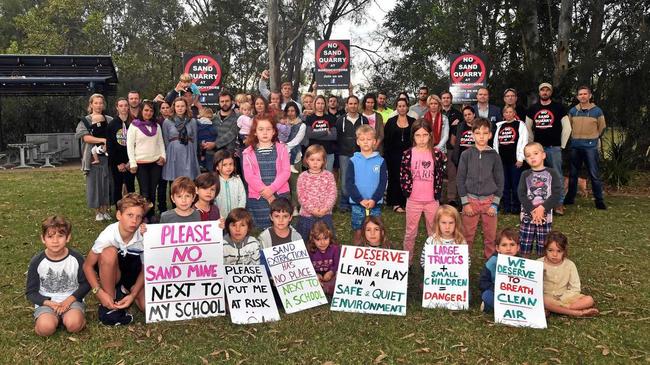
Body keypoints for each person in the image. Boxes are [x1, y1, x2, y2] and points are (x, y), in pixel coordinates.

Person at [83, 193, 149, 325]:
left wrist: (133, 294)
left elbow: (146, 268)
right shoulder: (107, 235)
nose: (134, 221)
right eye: (129, 215)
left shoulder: (144, 236)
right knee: (109, 253)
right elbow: (87, 266)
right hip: (114, 272)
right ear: (119, 215)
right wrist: (99, 292)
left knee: (147, 308)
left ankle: (126, 292)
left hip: (133, 273)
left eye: (138, 217)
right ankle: (110, 300)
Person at [26, 216, 89, 336]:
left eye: (60, 236)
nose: (55, 241)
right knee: (45, 329)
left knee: (73, 325)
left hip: (71, 301)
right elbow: (31, 292)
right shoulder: (37, 261)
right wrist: (48, 303)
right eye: (50, 236)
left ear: (68, 237)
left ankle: (73, 318)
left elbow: (86, 284)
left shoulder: (77, 258)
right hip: (47, 303)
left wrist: (69, 300)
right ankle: (49, 319)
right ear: (43, 239)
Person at [400, 119, 446, 264]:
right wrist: (408, 192)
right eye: (418, 135)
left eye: (425, 135)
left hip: (432, 201)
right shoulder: (408, 154)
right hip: (413, 200)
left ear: (430, 135)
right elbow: (403, 175)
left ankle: (433, 263)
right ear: (413, 136)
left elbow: (439, 175)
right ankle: (407, 261)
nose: (421, 139)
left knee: (434, 233)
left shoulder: (437, 154)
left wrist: (437, 193)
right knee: (410, 232)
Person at [457, 118, 504, 258]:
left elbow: (500, 180)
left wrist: (495, 204)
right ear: (472, 135)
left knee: (490, 237)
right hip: (470, 201)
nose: (481, 136)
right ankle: (464, 263)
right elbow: (460, 179)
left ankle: (490, 263)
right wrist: (465, 203)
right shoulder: (466, 155)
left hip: (489, 202)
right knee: (467, 236)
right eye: (477, 133)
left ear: (490, 135)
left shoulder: (495, 156)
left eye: (485, 133)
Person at [526, 82, 571, 215]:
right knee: (538, 177)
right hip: (538, 150)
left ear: (550, 92)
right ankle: (540, 203)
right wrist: (531, 145)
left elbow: (567, 128)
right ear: (539, 92)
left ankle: (559, 204)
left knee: (556, 176)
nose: (545, 92)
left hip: (554, 148)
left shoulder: (559, 108)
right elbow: (528, 128)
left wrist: (561, 145)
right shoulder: (532, 109)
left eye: (547, 90)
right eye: (542, 90)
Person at [242, 115, 291, 229]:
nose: (265, 133)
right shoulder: (247, 153)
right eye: (261, 129)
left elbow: (286, 172)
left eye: (268, 129)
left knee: (280, 224)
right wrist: (266, 193)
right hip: (259, 196)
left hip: (280, 194)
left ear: (274, 131)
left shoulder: (282, 149)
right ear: (255, 132)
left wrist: (271, 189)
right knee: (263, 229)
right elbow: (249, 176)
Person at [538, 231, 599, 317]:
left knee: (589, 300)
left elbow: (575, 287)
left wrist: (563, 299)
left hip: (565, 298)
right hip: (546, 297)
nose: (554, 254)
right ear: (545, 250)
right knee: (543, 301)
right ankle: (577, 312)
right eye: (550, 250)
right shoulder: (538, 263)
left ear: (564, 251)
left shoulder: (570, 265)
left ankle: (557, 309)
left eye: (559, 251)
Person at [566, 85, 607, 210]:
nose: (582, 96)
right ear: (577, 97)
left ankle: (599, 200)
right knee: (573, 174)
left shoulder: (597, 111)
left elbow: (602, 127)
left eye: (585, 94)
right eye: (580, 94)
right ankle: (570, 198)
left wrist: (592, 138)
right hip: (575, 146)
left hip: (590, 147)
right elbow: (568, 127)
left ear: (589, 96)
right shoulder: (573, 111)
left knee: (594, 174)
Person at [517, 142, 562, 257]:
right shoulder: (525, 174)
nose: (532, 157)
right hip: (527, 217)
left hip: (545, 218)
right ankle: (525, 271)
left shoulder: (552, 173)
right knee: (524, 247)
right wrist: (532, 210)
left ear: (543, 155)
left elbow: (556, 193)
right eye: (528, 155)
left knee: (544, 248)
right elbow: (521, 194)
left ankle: (542, 271)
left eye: (535, 153)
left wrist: (543, 208)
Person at [346, 125, 388, 244]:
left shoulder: (380, 161)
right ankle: (357, 257)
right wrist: (359, 199)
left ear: (374, 142)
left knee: (375, 231)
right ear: (358, 141)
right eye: (362, 139)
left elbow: (382, 183)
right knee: (358, 231)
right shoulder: (353, 160)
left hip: (375, 203)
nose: (366, 142)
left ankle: (374, 257)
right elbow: (349, 183)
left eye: (369, 139)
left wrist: (374, 199)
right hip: (357, 203)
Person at [75, 93, 113, 221]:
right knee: (95, 183)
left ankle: (106, 209)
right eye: (96, 103)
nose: (98, 105)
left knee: (107, 183)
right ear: (91, 105)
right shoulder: (85, 121)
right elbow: (86, 137)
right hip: (91, 156)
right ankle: (97, 211)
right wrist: (103, 140)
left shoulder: (109, 120)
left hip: (107, 157)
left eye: (101, 103)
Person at [127, 100, 166, 222]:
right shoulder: (134, 125)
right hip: (141, 163)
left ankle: (151, 214)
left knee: (153, 190)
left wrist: (163, 156)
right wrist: (132, 162)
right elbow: (129, 145)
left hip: (155, 163)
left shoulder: (157, 126)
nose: (148, 113)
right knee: (144, 191)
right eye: (146, 110)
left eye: (151, 110)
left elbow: (161, 143)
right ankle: (143, 215)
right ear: (141, 111)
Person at [296, 144, 337, 241]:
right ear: (306, 160)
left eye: (318, 160)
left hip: (325, 215)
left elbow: (332, 194)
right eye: (312, 159)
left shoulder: (328, 176)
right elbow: (302, 197)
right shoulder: (303, 177)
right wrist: (312, 210)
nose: (315, 163)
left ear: (324, 161)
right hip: (307, 216)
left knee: (326, 240)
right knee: (306, 241)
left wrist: (325, 208)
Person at [336, 95, 369, 212]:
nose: (353, 106)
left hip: (360, 154)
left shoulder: (363, 120)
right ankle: (344, 204)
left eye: (355, 103)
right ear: (347, 105)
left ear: (358, 105)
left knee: (358, 179)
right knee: (345, 180)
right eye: (350, 103)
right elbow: (338, 137)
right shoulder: (340, 120)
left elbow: (367, 136)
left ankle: (356, 202)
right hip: (344, 154)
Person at [493, 105, 528, 214]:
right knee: (504, 185)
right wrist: (496, 159)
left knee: (516, 184)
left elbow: (524, 142)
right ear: (503, 114)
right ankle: (507, 207)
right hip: (502, 161)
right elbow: (495, 144)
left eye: (510, 112)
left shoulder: (520, 125)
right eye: (506, 112)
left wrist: (521, 158)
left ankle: (516, 207)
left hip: (515, 160)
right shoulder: (499, 126)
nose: (508, 114)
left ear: (514, 113)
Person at [384, 98, 415, 213]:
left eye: (404, 106)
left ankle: (407, 202)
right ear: (396, 108)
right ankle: (395, 203)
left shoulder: (413, 121)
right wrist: (387, 157)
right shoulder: (391, 121)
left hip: (409, 155)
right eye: (399, 106)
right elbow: (386, 141)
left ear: (407, 107)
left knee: (408, 178)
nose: (402, 108)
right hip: (393, 156)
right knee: (395, 178)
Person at [479, 227, 520, 313]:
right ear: (497, 248)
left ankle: (502, 308)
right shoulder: (492, 262)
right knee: (487, 295)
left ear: (518, 248)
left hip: (515, 296)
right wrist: (495, 288)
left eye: (512, 245)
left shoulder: (522, 264)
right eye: (504, 245)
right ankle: (493, 306)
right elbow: (482, 282)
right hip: (497, 293)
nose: (508, 249)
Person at [161, 97, 200, 185]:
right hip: (173, 153)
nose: (180, 108)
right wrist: (168, 154)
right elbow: (166, 140)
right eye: (177, 106)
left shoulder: (192, 121)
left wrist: (194, 154)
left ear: (186, 107)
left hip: (188, 152)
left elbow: (195, 139)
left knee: (189, 180)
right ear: (174, 107)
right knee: (174, 181)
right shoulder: (167, 122)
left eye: (182, 106)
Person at [107, 98, 136, 211]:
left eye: (125, 105)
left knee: (131, 186)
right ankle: (119, 211)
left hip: (130, 160)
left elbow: (136, 144)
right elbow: (110, 146)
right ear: (117, 107)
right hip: (117, 162)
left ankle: (132, 208)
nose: (123, 108)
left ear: (128, 107)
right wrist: (118, 163)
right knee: (117, 186)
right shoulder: (112, 125)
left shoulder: (133, 123)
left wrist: (130, 161)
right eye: (121, 105)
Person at [441, 91, 463, 206]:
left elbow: (458, 130)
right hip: (438, 148)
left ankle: (451, 199)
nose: (446, 100)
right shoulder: (437, 112)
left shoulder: (458, 114)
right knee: (437, 173)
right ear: (441, 99)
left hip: (451, 148)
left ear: (451, 99)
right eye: (443, 98)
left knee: (452, 174)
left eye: (448, 98)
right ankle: (437, 197)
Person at [304, 95, 337, 172]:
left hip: (328, 153)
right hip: (313, 154)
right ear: (315, 104)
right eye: (318, 103)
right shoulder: (309, 118)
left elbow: (334, 136)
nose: (320, 105)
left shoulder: (331, 118)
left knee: (327, 178)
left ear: (325, 105)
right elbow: (309, 135)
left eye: (322, 103)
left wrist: (315, 134)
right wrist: (326, 132)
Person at [307, 221, 340, 296]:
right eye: (318, 239)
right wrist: (316, 274)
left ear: (330, 236)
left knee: (339, 279)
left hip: (331, 275)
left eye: (325, 238)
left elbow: (337, 264)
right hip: (317, 275)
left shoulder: (335, 249)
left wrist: (331, 272)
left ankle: (326, 288)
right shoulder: (309, 250)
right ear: (313, 240)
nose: (322, 242)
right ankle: (322, 288)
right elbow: (307, 266)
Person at [204, 91, 240, 157]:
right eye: (222, 101)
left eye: (227, 101)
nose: (224, 103)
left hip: (227, 157)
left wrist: (215, 144)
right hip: (211, 155)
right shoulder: (212, 118)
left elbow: (231, 134)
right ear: (219, 103)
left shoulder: (238, 118)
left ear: (232, 101)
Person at [213, 150, 247, 219]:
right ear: (217, 167)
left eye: (231, 164)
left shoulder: (237, 179)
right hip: (220, 219)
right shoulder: (214, 181)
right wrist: (219, 216)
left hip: (237, 217)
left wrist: (238, 213)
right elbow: (213, 202)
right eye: (224, 165)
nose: (228, 167)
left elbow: (242, 197)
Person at [155, 100, 174, 215]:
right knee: (161, 184)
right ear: (160, 110)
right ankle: (162, 207)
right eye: (163, 108)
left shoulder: (174, 121)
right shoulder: (157, 122)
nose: (165, 110)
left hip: (172, 155)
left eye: (167, 107)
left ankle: (174, 206)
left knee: (173, 183)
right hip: (160, 155)